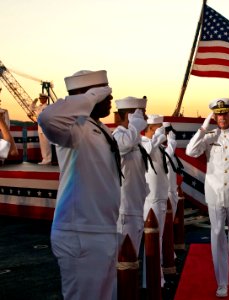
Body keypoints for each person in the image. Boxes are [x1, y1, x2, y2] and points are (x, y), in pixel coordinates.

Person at [38, 70, 120, 300]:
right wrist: (92, 95)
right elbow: (46, 118)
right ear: (87, 95)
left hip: (102, 228)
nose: (110, 98)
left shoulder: (99, 128)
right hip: (81, 232)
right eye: (106, 93)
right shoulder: (72, 128)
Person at [185, 98, 229, 298]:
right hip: (215, 193)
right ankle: (222, 282)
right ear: (214, 116)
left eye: (225, 113)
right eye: (218, 114)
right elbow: (191, 151)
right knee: (217, 235)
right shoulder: (208, 136)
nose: (222, 117)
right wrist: (204, 127)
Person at [113, 96, 148, 253]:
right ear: (130, 116)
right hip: (125, 210)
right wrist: (135, 125)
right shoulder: (118, 137)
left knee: (132, 260)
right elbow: (125, 145)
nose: (145, 117)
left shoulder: (135, 138)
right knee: (123, 260)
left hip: (137, 206)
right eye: (141, 113)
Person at [141, 114, 168, 288]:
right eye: (159, 127)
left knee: (158, 240)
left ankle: (157, 277)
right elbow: (147, 151)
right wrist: (158, 137)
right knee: (152, 241)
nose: (162, 130)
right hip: (151, 200)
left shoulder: (157, 145)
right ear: (151, 128)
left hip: (160, 197)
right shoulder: (143, 142)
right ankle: (151, 281)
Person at [163, 121, 184, 219]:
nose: (171, 135)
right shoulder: (156, 149)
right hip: (164, 194)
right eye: (168, 133)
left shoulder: (166, 148)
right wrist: (171, 142)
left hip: (172, 191)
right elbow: (165, 158)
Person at [31, 93, 52, 164]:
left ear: (45, 99)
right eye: (40, 98)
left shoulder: (47, 107)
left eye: (42, 98)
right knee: (42, 144)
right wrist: (34, 102)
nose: (40, 100)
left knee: (46, 144)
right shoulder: (39, 107)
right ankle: (44, 159)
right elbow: (31, 108)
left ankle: (48, 159)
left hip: (45, 127)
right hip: (40, 127)